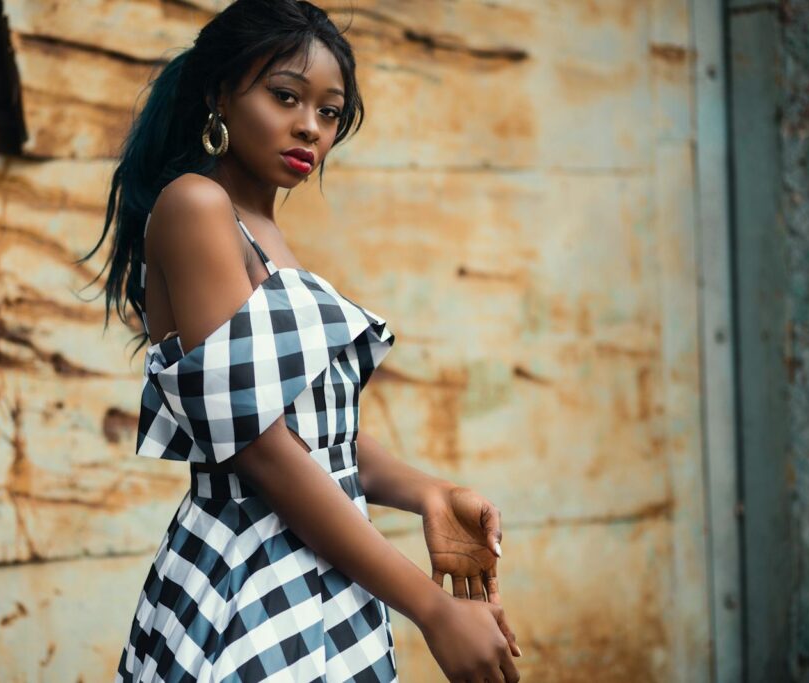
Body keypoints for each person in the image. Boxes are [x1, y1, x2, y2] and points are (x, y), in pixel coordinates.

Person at [80, 1, 523, 680]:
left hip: (323, 574)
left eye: (330, 112)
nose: (310, 127)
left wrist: (430, 491)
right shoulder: (196, 206)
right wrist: (431, 607)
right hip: (248, 576)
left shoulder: (263, 231)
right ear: (218, 95)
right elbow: (260, 449)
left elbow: (313, 435)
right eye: (285, 96)